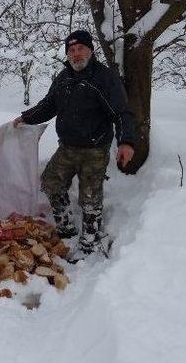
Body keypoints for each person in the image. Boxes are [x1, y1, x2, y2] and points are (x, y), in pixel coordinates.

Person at [14, 30, 136, 257]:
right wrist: (26, 117)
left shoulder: (104, 78)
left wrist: (126, 141)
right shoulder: (64, 78)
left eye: (80, 48)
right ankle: (65, 226)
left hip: (95, 149)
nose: (76, 54)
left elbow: (121, 112)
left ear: (90, 50)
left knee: (90, 196)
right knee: (51, 182)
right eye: (71, 50)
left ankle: (90, 241)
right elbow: (49, 105)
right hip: (68, 147)